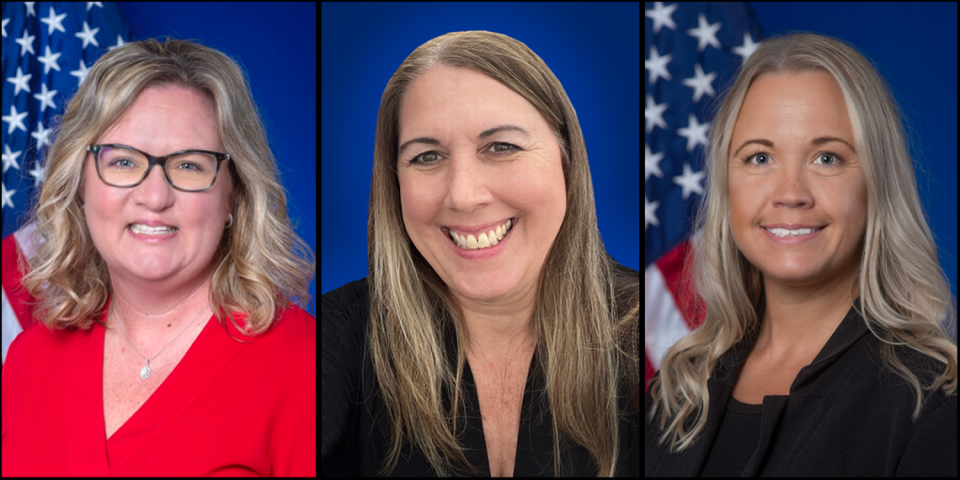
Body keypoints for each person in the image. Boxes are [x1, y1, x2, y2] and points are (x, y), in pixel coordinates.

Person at [321, 31, 640, 477]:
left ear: (567, 161)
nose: (464, 196)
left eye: (501, 147)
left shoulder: (662, 335)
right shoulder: (332, 338)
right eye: (427, 157)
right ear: (394, 183)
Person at [645, 32, 958, 477]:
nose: (790, 194)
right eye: (759, 158)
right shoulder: (677, 389)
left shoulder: (933, 404)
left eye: (827, 158)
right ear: (725, 185)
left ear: (876, 185)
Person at [1, 38, 317, 476]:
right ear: (80, 184)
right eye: (124, 162)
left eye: (189, 165)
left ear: (235, 194)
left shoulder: (305, 367)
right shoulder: (27, 361)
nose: (154, 197)